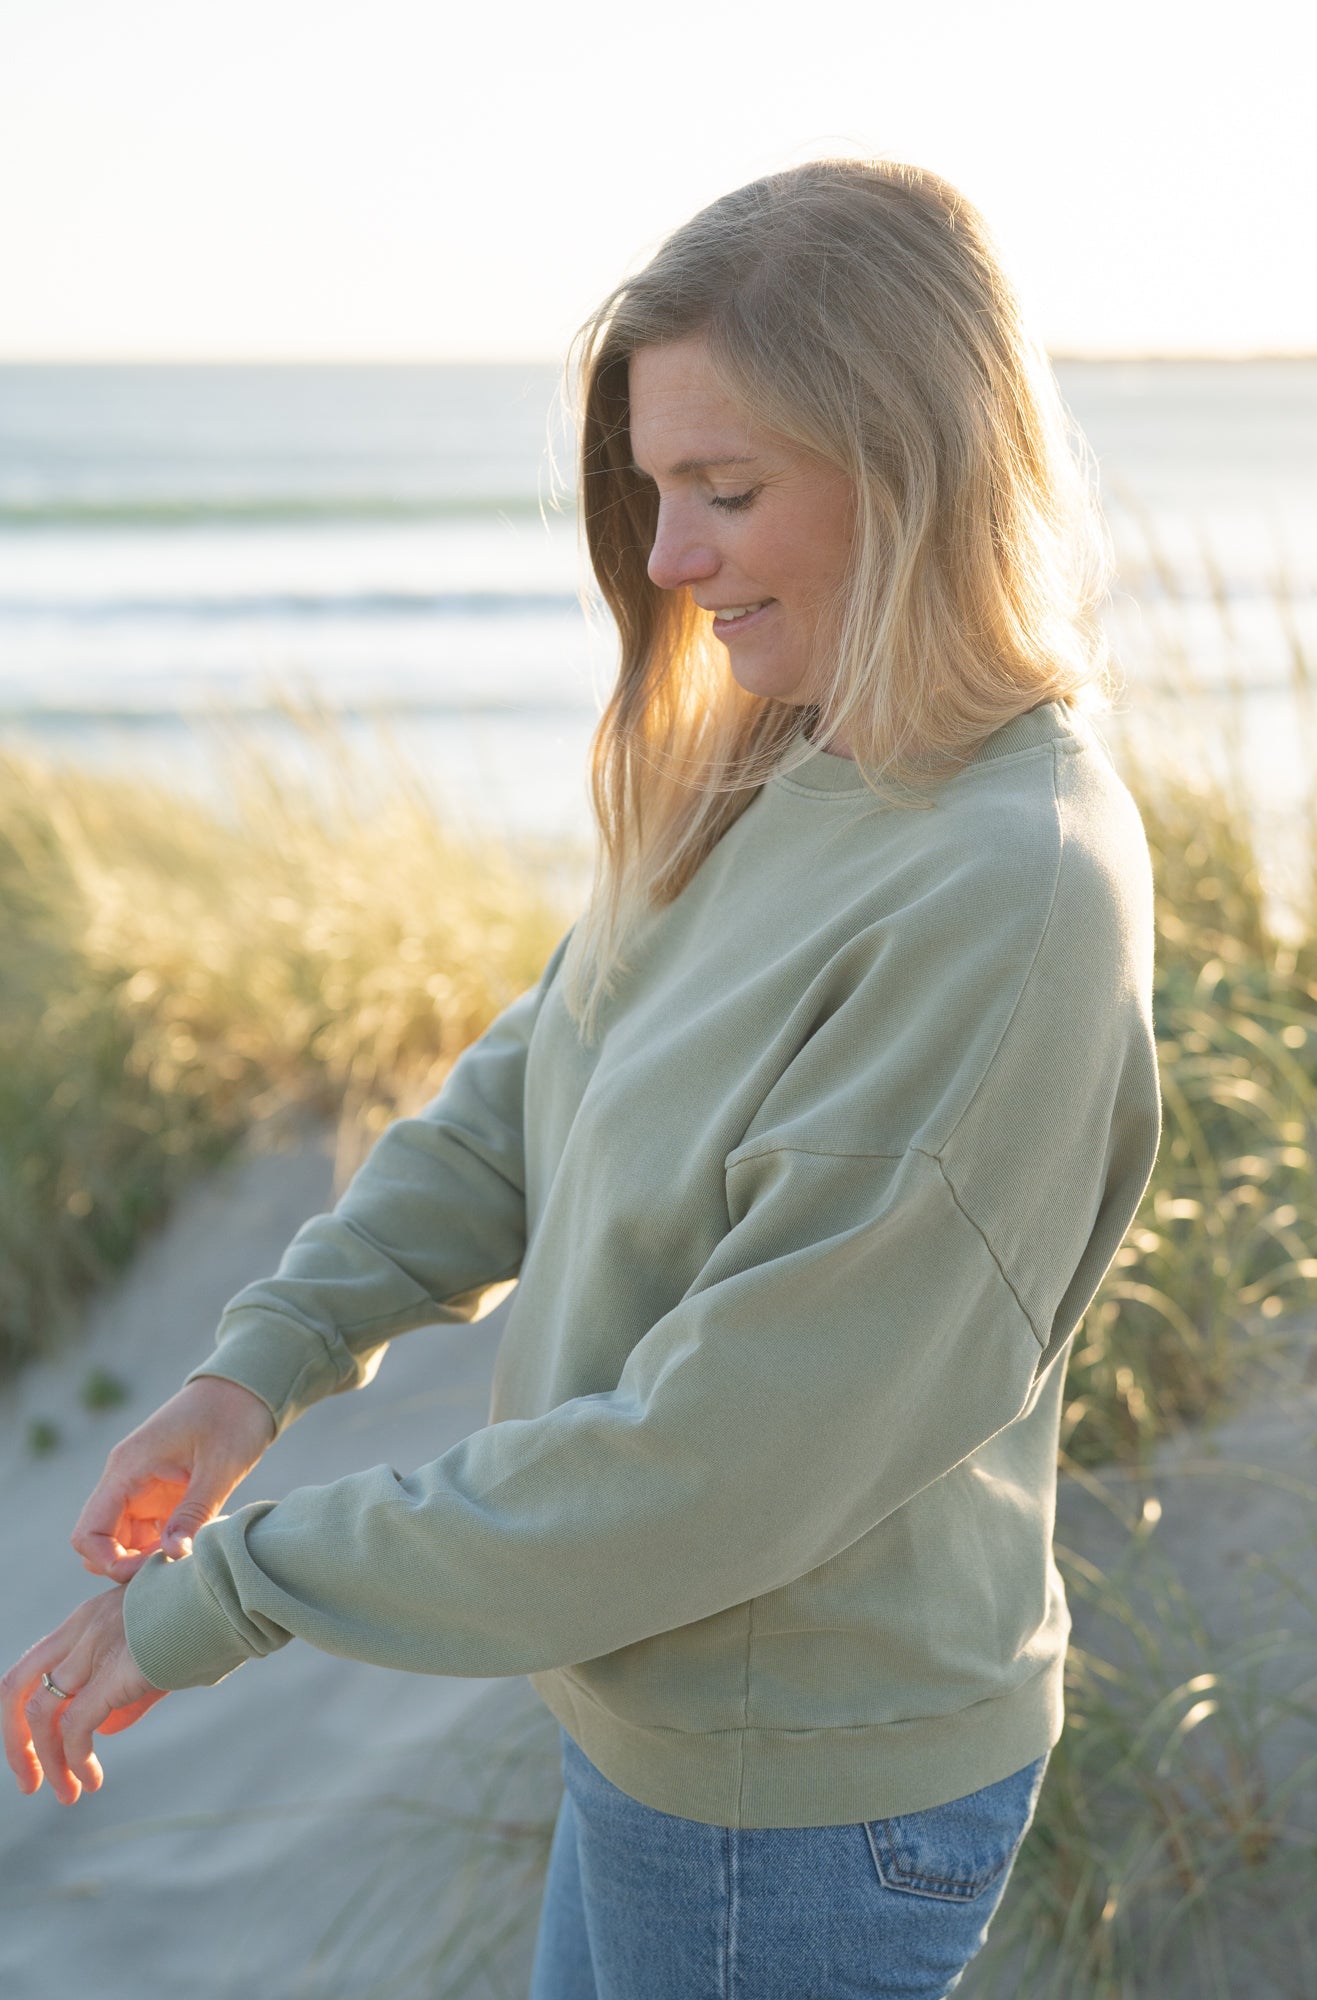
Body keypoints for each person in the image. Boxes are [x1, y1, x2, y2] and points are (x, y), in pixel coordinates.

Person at [2, 158, 1161, 1998]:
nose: (670, 561)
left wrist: (233, 1594)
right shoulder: (792, 750)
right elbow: (546, 1073)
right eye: (652, 492)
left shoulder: (1007, 891)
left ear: (913, 464)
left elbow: (714, 1466)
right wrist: (264, 1364)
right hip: (667, 1734)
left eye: (725, 491)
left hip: (799, 1803)